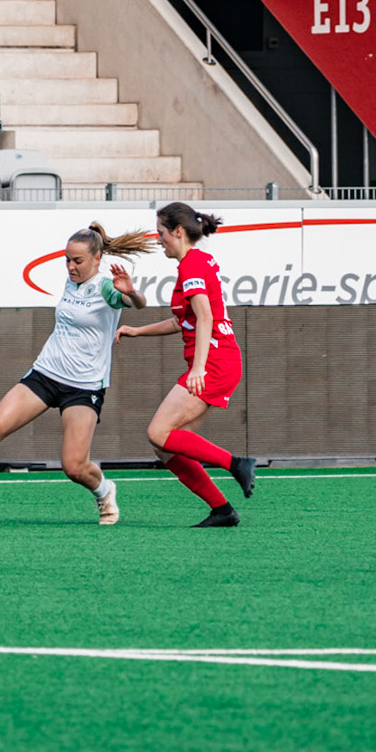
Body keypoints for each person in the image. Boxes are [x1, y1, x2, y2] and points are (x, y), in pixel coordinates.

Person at [0, 224, 152, 524]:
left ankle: (105, 492)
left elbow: (137, 303)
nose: (71, 267)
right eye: (68, 260)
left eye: (78, 261)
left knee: (73, 466)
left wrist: (133, 293)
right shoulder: (71, 281)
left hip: (83, 387)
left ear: (97, 259)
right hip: (45, 374)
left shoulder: (107, 289)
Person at [116, 202, 257, 527]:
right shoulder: (197, 261)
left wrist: (198, 369)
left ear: (177, 232)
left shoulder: (191, 265)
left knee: (158, 432)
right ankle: (222, 509)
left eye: (161, 233)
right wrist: (138, 331)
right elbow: (185, 321)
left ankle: (236, 464)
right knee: (166, 447)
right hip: (221, 360)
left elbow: (205, 316)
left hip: (215, 362)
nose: (158, 238)